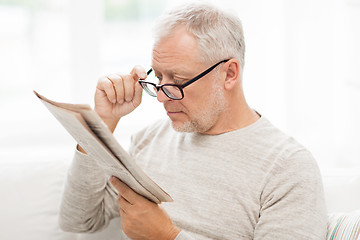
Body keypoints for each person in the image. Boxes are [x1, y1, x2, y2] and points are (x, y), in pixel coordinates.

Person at [59, 2, 327, 239]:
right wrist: (102, 124)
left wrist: (166, 236)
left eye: (179, 80)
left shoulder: (288, 168)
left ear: (229, 74)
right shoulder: (150, 140)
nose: (162, 97)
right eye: (160, 77)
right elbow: (79, 220)